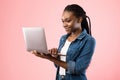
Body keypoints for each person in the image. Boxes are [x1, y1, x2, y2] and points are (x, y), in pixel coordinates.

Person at [31, 4, 96, 80]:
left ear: (79, 19)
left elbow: (78, 68)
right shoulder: (63, 38)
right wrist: (55, 56)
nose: (64, 25)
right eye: (63, 21)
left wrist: (50, 58)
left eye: (68, 21)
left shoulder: (89, 40)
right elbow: (58, 65)